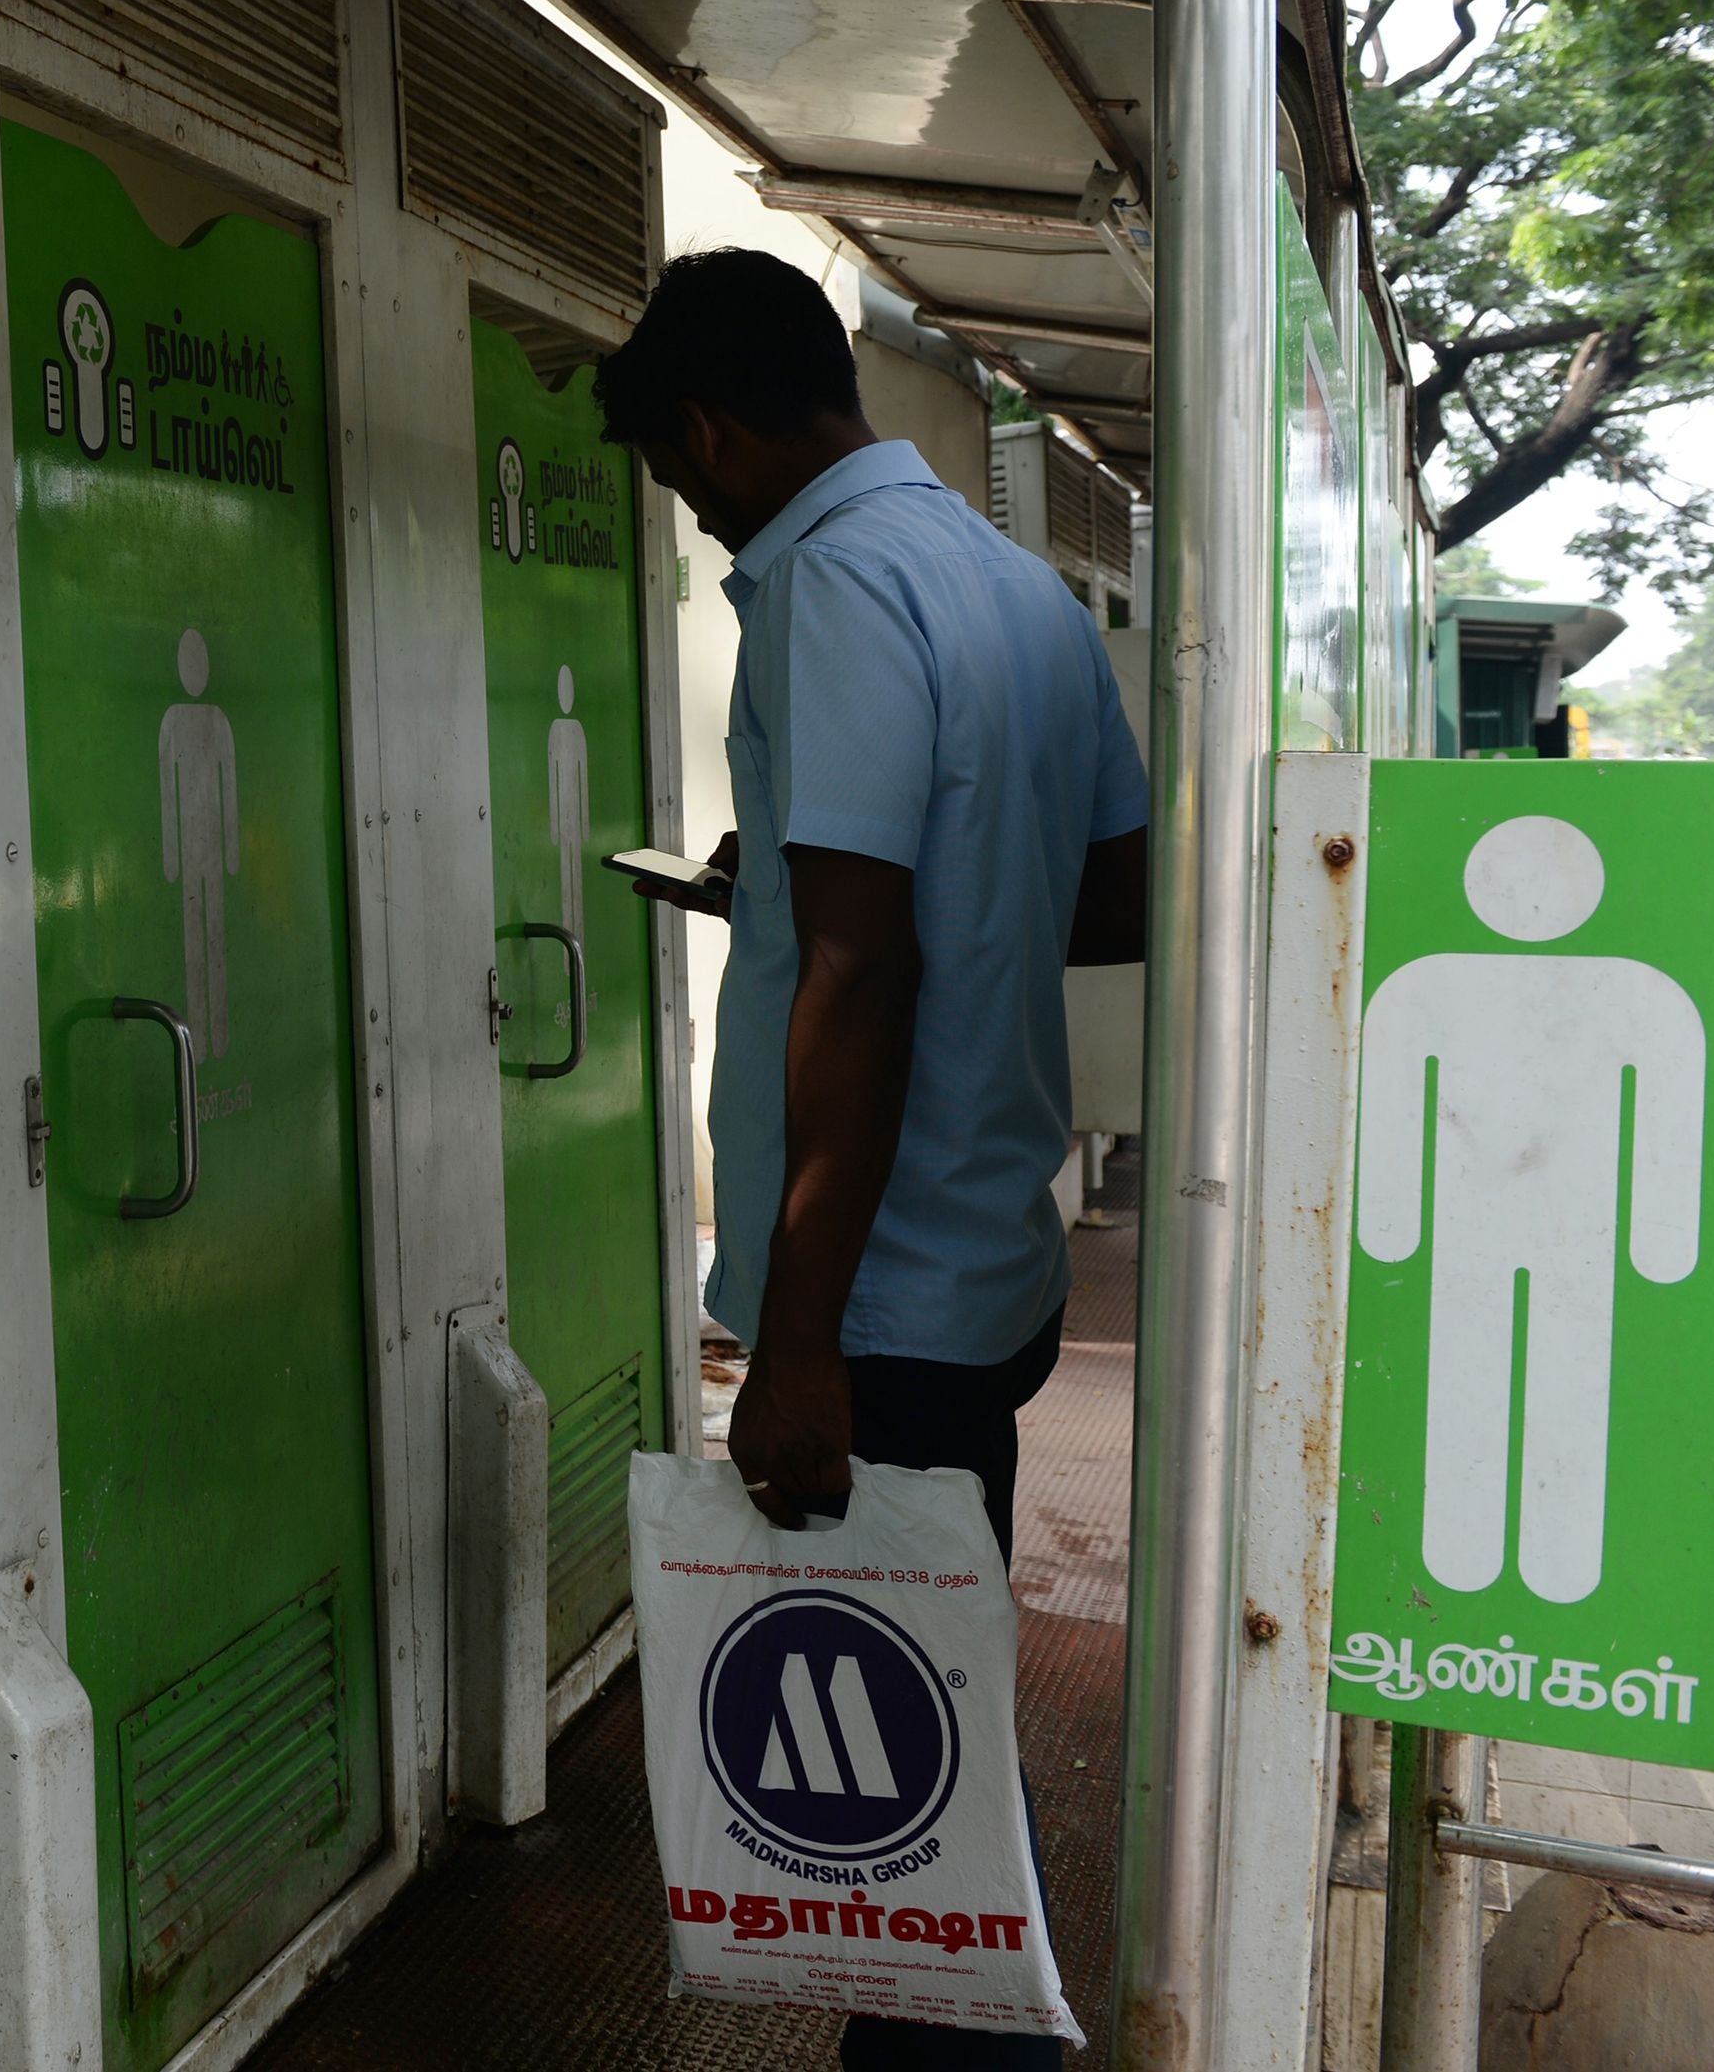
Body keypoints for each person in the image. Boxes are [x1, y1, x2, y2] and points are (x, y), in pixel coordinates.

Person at [601, 248, 1146, 2071]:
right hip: (992, 1250)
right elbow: (1113, 883)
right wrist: (898, 895)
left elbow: (856, 964)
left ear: (711, 429)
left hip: (881, 1298)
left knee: (894, 1757)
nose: (698, 515)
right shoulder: (1014, 588)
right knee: (947, 1692)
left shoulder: (831, 583)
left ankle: (966, 2038)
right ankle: (962, 2028)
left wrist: (798, 1344)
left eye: (686, 485)